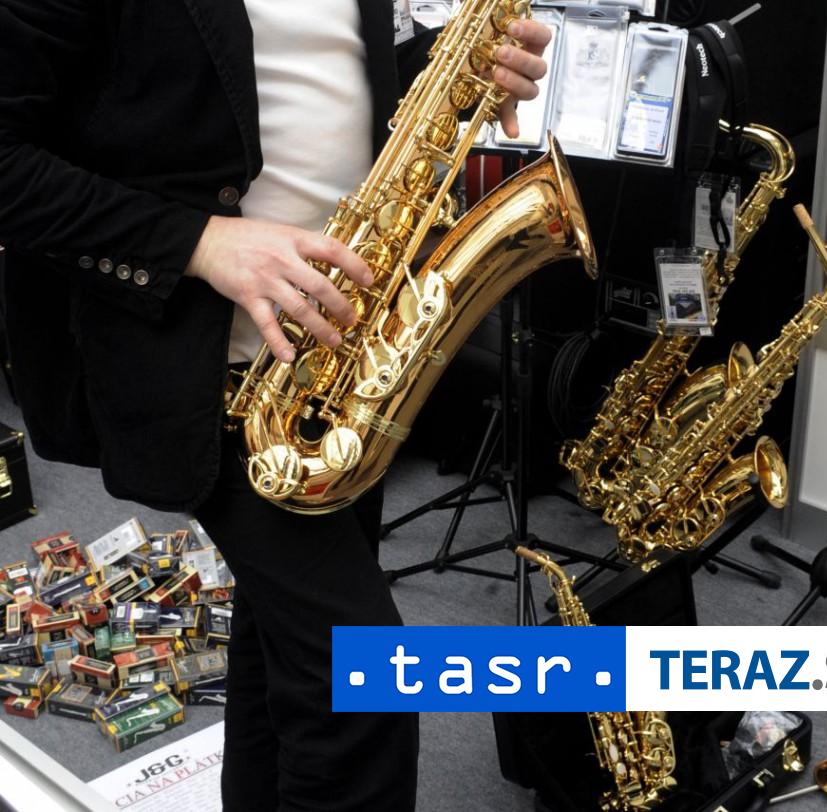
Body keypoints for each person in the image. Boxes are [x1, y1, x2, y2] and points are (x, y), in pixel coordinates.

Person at [0, 2, 550, 809]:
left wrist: (455, 66)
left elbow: (305, 75)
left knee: (285, 655)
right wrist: (198, 242)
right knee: (358, 686)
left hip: (342, 360)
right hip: (212, 368)